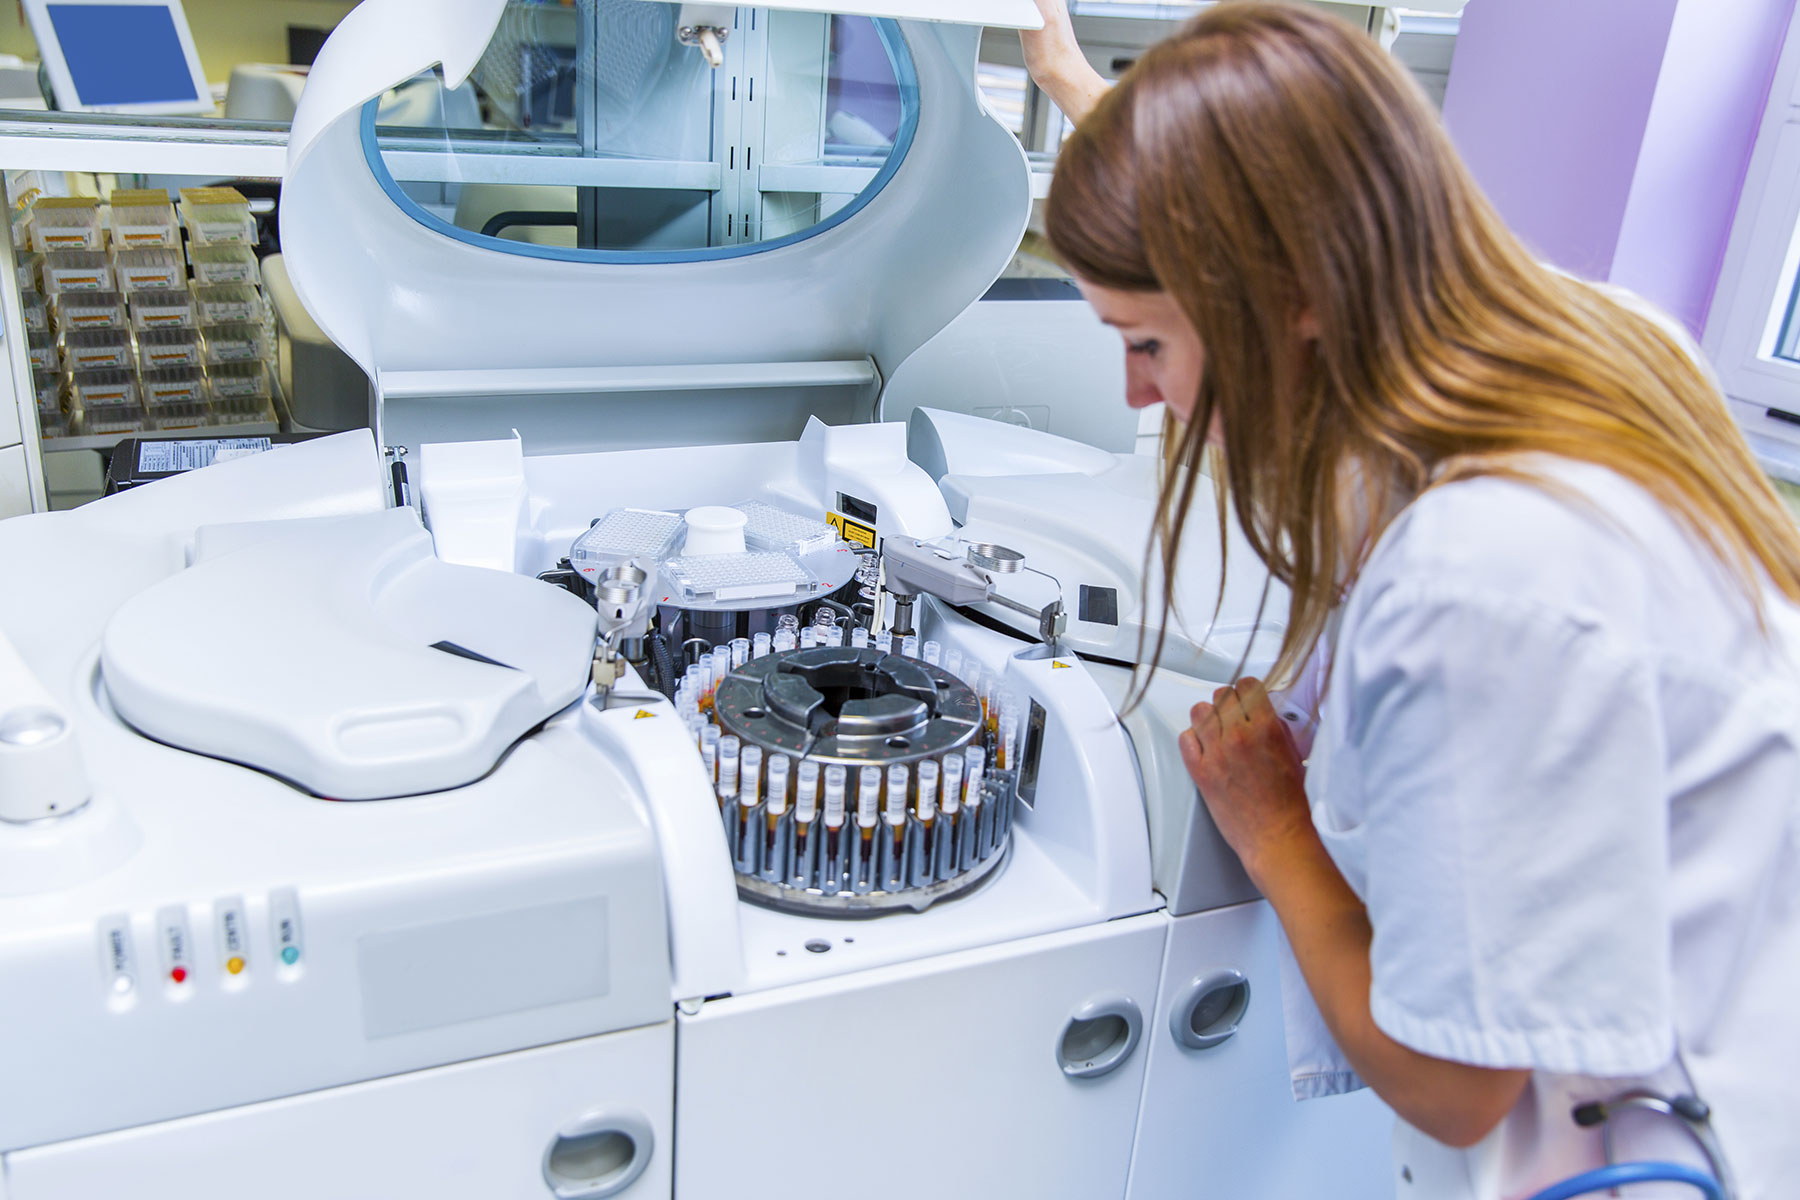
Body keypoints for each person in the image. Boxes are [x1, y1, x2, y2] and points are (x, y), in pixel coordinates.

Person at [1022, 3, 1800, 1197]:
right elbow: (1271, 198)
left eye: (1149, 344)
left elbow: (1458, 1080)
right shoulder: (1598, 339)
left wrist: (1273, 822)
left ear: (1288, 296)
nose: (1135, 393)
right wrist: (1077, 88)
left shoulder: (1482, 577)